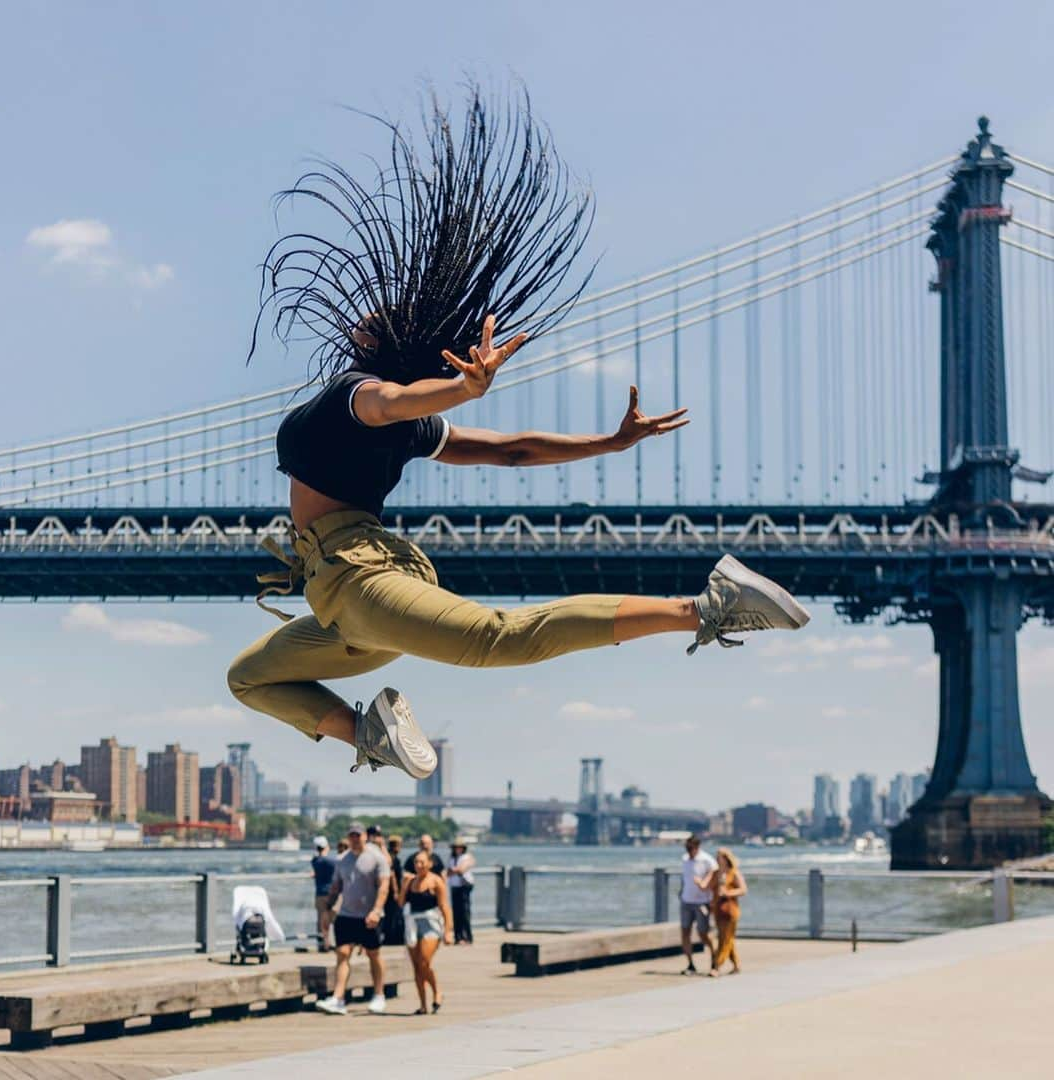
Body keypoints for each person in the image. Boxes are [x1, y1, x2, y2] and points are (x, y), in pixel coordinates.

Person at [227, 84, 811, 778]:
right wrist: (607, 443)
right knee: (250, 678)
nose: (365, 317)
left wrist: (464, 387)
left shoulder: (362, 398)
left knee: (499, 640)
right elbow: (510, 451)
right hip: (343, 602)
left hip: (363, 581)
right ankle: (370, 733)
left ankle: (705, 605)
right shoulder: (405, 423)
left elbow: (399, 401)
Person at [315, 822, 390, 1016]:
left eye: (358, 835)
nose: (355, 839)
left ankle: (379, 995)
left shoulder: (376, 857)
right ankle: (338, 998)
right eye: (352, 836)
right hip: (347, 914)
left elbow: (384, 886)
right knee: (342, 953)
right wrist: (326, 911)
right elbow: (335, 887)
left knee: (373, 954)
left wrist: (376, 910)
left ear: (365, 836)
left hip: (369, 916)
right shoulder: (342, 860)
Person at [399, 849, 454, 1014]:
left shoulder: (436, 881)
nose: (419, 865)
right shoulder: (411, 881)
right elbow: (401, 903)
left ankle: (437, 992)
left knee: (424, 961)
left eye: (422, 862)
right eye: (416, 862)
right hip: (413, 922)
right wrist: (403, 886)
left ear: (430, 864)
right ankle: (423, 1004)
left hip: (431, 922)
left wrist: (449, 931)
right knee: (416, 967)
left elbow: (445, 906)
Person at [679, 835, 718, 975]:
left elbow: (715, 876)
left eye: (691, 848)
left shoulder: (707, 860)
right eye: (687, 848)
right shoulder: (684, 859)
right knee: (685, 932)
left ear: (697, 847)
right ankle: (690, 965)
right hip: (686, 900)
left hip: (702, 902)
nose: (689, 851)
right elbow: (684, 879)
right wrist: (681, 892)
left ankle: (715, 962)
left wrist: (704, 884)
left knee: (703, 934)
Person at [708, 847, 747, 977]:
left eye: (720, 856)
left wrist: (728, 892)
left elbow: (743, 890)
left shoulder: (733, 873)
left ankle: (717, 966)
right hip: (718, 910)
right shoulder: (716, 873)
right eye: (717, 856)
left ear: (726, 858)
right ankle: (736, 965)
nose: (718, 858)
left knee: (725, 938)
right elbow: (708, 887)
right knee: (726, 938)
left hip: (731, 909)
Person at [310, 835, 338, 952]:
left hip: (320, 893)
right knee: (334, 920)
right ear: (326, 846)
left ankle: (322, 944)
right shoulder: (332, 861)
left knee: (321, 920)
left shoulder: (315, 861)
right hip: (332, 893)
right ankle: (334, 943)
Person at [447, 836, 476, 944]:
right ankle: (458, 937)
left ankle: (468, 936)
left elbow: (462, 869)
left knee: (465, 912)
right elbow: (450, 871)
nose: (457, 849)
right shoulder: (452, 858)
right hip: (455, 887)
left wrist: (454, 870)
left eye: (459, 847)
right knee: (456, 913)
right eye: (456, 847)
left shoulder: (467, 857)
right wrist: (455, 870)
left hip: (464, 886)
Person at [382, 834, 406, 947]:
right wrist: (396, 891)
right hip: (392, 892)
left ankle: (392, 937)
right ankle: (393, 938)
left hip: (390, 892)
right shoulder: (391, 858)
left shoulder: (392, 857)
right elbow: (392, 875)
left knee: (392, 914)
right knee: (393, 914)